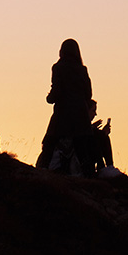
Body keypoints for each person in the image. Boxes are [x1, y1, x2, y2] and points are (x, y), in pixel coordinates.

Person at [35, 38, 92, 172]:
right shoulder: (82, 69)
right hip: (81, 115)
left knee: (49, 143)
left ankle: (42, 171)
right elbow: (88, 94)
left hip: (63, 114)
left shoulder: (58, 67)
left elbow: (57, 91)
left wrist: (49, 98)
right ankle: (90, 174)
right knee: (82, 148)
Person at [79, 99, 114, 177]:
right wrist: (102, 133)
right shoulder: (80, 127)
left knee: (101, 135)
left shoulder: (83, 127)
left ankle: (107, 167)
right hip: (84, 156)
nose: (95, 114)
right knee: (102, 136)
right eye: (93, 110)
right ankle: (107, 166)